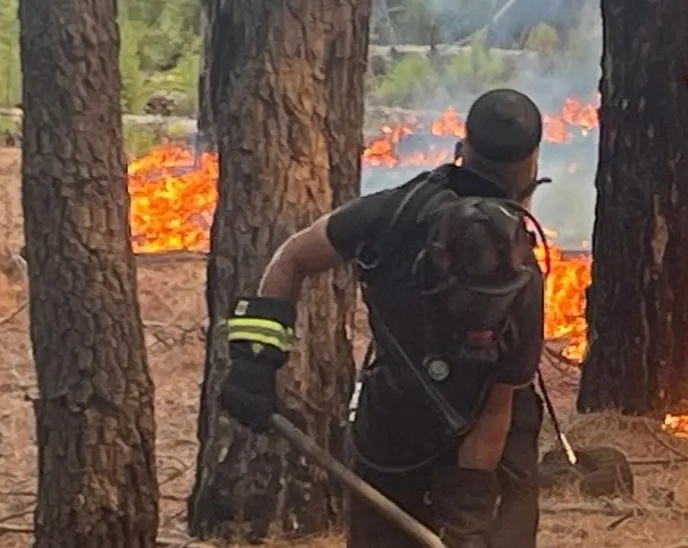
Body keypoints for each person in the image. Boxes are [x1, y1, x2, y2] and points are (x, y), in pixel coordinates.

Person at [218, 88, 549, 548]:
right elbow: (294, 258)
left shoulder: (519, 274)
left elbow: (496, 413)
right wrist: (256, 358)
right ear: (531, 170)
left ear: (463, 149)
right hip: (399, 420)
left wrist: (470, 514)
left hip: (487, 440)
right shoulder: (396, 217)